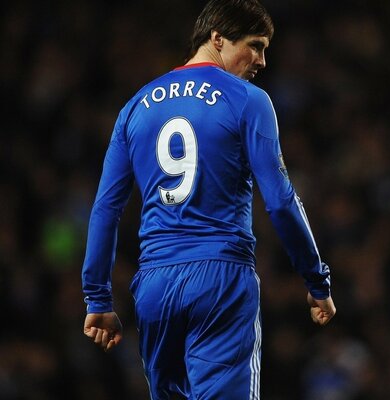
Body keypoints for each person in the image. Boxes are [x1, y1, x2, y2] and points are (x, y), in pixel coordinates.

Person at [80, 0, 336, 398]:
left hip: (155, 287)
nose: (262, 61)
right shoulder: (248, 100)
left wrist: (97, 297)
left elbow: (106, 209)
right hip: (221, 280)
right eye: (255, 45)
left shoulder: (135, 107)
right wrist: (315, 279)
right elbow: (281, 201)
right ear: (216, 37)